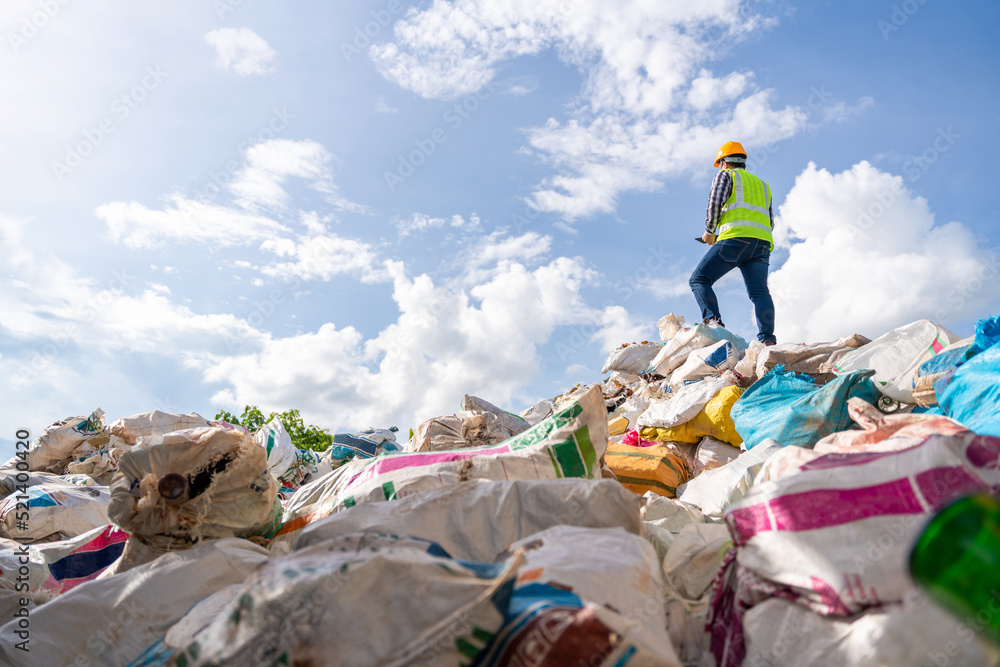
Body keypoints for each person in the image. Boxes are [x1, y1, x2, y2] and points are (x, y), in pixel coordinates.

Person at [689, 141, 777, 346]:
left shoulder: (725, 175)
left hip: (735, 238)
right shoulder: (764, 186)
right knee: (760, 292)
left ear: (723, 163)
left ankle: (714, 326)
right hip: (762, 243)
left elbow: (715, 203)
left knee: (699, 280)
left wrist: (710, 233)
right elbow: (770, 221)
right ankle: (767, 340)